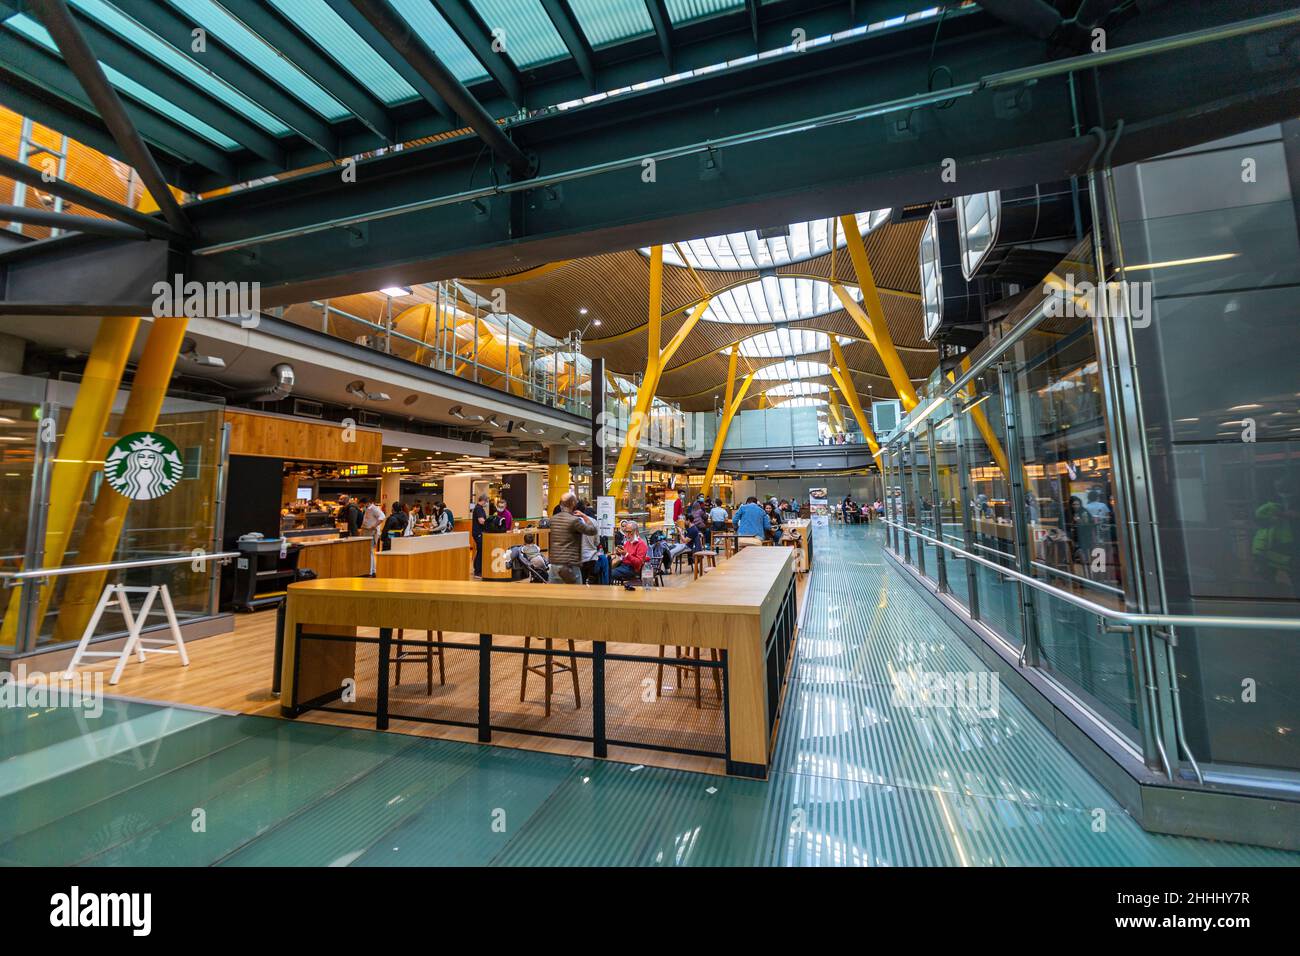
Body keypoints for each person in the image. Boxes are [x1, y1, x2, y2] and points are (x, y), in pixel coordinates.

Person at [548, 491, 596, 584]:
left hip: (554, 564)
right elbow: (592, 530)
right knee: (576, 595)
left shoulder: (553, 519)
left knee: (554, 594)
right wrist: (584, 516)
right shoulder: (574, 520)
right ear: (573, 504)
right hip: (570, 564)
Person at [471, 493, 489, 577]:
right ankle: (477, 571)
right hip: (478, 533)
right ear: (484, 500)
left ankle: (477, 569)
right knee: (480, 551)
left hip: (478, 532)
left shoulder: (479, 508)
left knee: (480, 551)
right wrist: (489, 523)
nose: (487, 503)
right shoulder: (478, 509)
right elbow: (481, 521)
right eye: (486, 501)